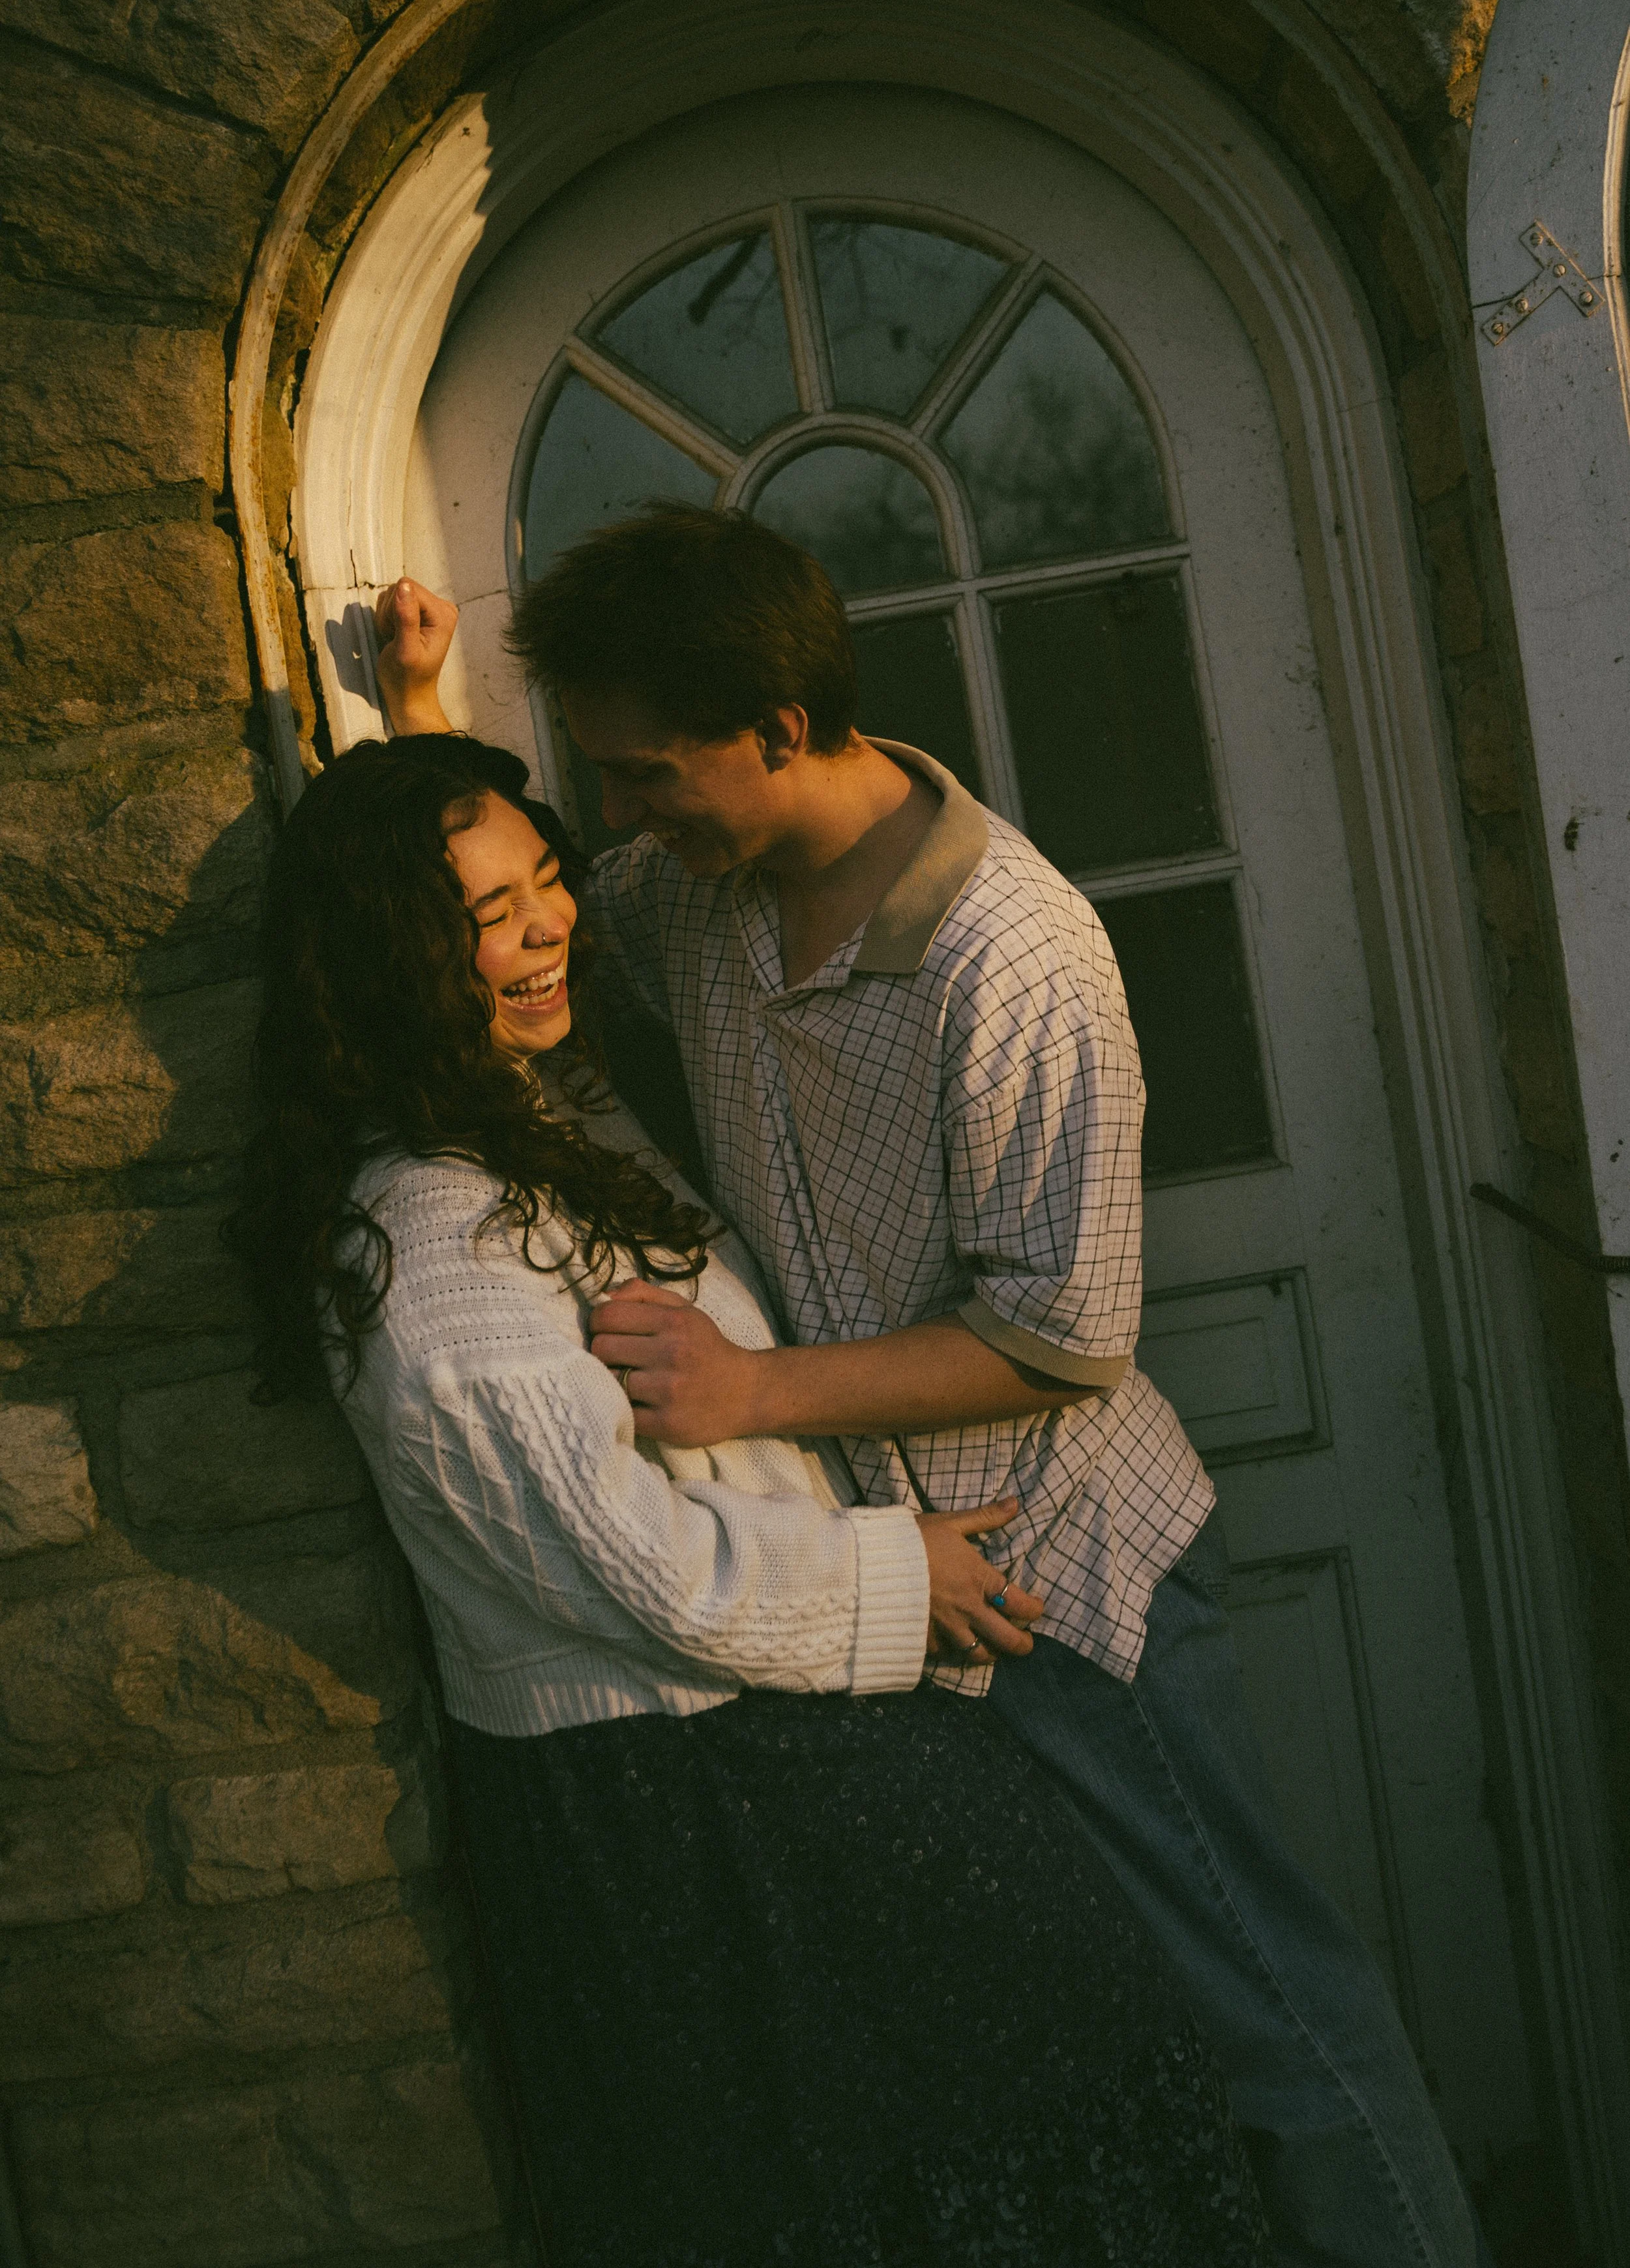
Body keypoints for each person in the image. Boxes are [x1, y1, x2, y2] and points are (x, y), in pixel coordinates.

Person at [376, 510, 1494, 2268]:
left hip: (1064, 1587)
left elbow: (1063, 1333)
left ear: (779, 725)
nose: (617, 825)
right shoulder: (696, 886)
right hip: (906, 1601)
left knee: (1272, 2021)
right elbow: (466, 923)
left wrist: (747, 1390)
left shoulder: (1012, 954)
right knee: (1095, 2069)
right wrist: (415, 710)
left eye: (645, 773)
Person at [230, 730, 1267, 2268]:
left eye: (541, 882)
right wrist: (899, 1578)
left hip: (766, 1733)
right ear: (392, 957)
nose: (541, 926)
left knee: (1074, 2081)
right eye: (479, 919)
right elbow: (631, 1569)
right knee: (944, 2155)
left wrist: (419, 706)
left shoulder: (528, 1110)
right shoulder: (434, 1258)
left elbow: (438, 897)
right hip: (681, 1801)